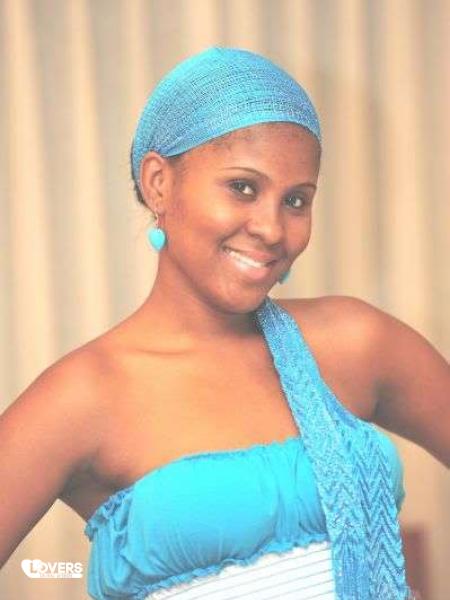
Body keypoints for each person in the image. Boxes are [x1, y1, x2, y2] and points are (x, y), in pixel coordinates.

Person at [0, 47, 448, 600]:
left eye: (296, 200)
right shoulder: (85, 396)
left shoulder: (356, 343)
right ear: (158, 183)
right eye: (243, 187)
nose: (272, 229)